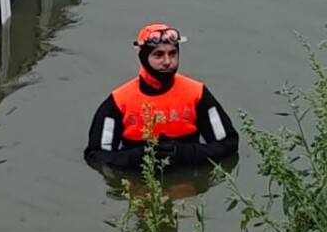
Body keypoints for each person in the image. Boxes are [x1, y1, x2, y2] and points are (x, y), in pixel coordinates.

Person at [86, 24, 238, 170]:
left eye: (172, 54)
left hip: (189, 191)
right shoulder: (119, 101)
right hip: (139, 188)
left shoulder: (197, 93)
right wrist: (140, 157)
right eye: (158, 55)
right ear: (143, 57)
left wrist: (183, 153)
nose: (167, 62)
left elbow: (229, 144)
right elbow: (96, 156)